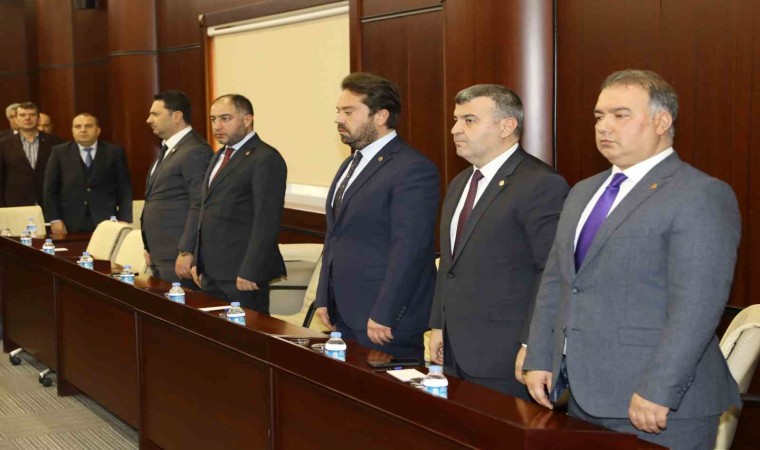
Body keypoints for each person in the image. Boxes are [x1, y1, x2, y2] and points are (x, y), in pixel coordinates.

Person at [523, 70, 741, 449]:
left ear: (662, 121)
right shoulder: (583, 192)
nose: (604, 126)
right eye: (599, 116)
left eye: (620, 115)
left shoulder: (699, 194)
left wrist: (659, 389)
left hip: (658, 405)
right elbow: (558, 281)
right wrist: (540, 355)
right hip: (583, 395)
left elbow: (696, 307)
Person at [428, 84, 568, 398]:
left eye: (468, 120)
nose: (455, 129)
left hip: (505, 354)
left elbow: (552, 272)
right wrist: (438, 325)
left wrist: (533, 345)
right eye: (456, 120)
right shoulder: (461, 182)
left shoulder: (540, 184)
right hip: (454, 349)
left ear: (506, 126)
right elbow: (449, 264)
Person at [314, 72, 440, 360]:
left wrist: (386, 312)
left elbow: (410, 249)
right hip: (343, 313)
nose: (338, 119)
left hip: (384, 321)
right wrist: (324, 297)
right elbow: (334, 236)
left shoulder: (412, 168)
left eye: (348, 111)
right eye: (338, 111)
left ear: (380, 116)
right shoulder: (350, 163)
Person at [190, 94, 286, 314]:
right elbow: (205, 209)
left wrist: (251, 269)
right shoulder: (218, 156)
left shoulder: (265, 158)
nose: (217, 126)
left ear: (247, 119)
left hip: (243, 275)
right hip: (211, 272)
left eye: (225, 118)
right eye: (213, 119)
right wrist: (197, 259)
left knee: (245, 333)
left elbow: (267, 220)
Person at [143, 91, 212, 287]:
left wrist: (187, 251)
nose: (149, 120)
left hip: (179, 255)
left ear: (177, 116)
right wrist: (149, 246)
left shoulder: (195, 150)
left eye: (155, 114)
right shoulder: (169, 148)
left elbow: (199, 203)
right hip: (161, 253)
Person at [43, 113, 133, 233]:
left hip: (106, 219)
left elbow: (124, 188)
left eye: (88, 126)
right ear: (72, 131)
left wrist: (124, 218)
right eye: (78, 126)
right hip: (69, 220)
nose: (83, 130)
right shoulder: (59, 152)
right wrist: (54, 219)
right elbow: (50, 189)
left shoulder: (114, 152)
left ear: (98, 130)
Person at [0, 102, 64, 207]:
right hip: (15, 205)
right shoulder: (3, 145)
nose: (27, 118)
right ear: (16, 119)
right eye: (22, 115)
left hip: (49, 203)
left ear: (38, 118)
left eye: (32, 115)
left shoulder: (55, 142)